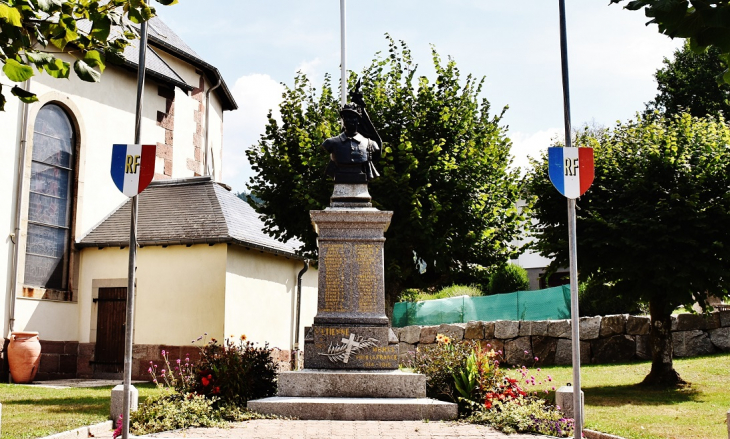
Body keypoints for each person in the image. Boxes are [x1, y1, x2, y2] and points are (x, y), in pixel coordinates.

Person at [321, 86, 382, 183]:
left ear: (358, 120)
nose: (349, 120)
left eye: (352, 117)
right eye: (346, 117)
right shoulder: (331, 143)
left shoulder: (370, 144)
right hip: (340, 179)